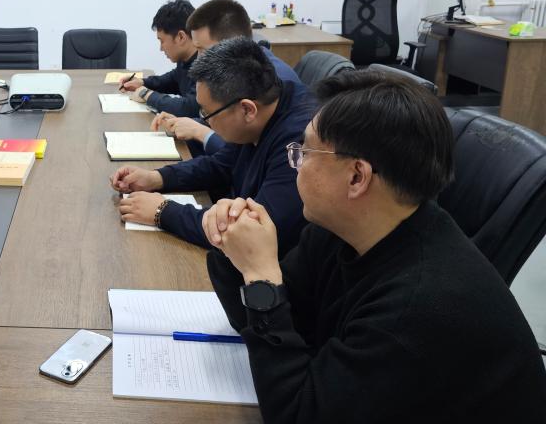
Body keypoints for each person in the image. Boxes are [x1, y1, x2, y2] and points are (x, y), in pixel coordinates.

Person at [202, 71, 546, 422]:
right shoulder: (344, 230)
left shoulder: (418, 308)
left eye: (305, 151)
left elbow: (298, 413)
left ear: (357, 176)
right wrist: (231, 241)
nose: (297, 164)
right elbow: (277, 322)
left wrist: (260, 275)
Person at [113, 37, 314, 254]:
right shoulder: (259, 112)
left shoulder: (300, 143)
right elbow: (221, 164)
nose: (204, 121)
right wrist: (156, 178)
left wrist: (163, 211)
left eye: (207, 113)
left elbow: (255, 232)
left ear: (247, 110)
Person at [152, 0, 304, 157]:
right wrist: (187, 124)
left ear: (229, 43)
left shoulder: (270, 80)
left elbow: (241, 156)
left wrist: (200, 132)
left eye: (202, 50)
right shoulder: (244, 66)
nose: (198, 59)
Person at [119, 0, 198, 117]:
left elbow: (188, 108)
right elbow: (173, 80)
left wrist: (146, 94)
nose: (161, 48)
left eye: (162, 41)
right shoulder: (186, 60)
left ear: (181, 37)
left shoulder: (207, 65)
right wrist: (143, 82)